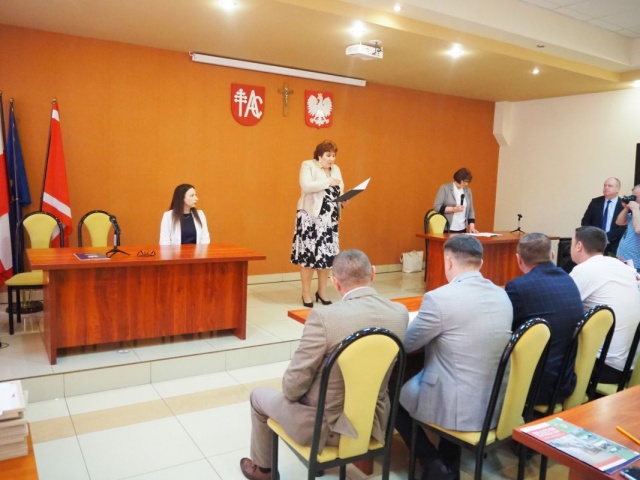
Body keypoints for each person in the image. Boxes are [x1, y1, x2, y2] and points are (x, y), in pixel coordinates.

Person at [240, 249, 408, 480]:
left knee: (258, 397)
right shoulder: (399, 313)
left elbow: (292, 387)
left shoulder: (324, 318)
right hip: (374, 425)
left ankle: (263, 471)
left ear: (335, 282)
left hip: (325, 428)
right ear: (373, 274)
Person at [396, 235, 512, 480]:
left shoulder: (440, 298)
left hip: (459, 407)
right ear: (480, 263)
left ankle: (431, 461)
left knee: (392, 395)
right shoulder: (502, 295)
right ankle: (448, 460)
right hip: (498, 403)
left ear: (448, 261)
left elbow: (406, 344)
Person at [505, 233, 583, 405]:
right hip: (565, 379)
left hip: (533, 386)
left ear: (518, 259)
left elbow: (505, 332)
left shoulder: (517, 287)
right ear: (552, 255)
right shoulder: (568, 280)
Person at [570, 226, 640, 384]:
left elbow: (562, 309)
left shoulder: (583, 270)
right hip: (630, 366)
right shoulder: (622, 267)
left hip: (604, 367)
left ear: (579, 246)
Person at [291, 139, 345, 307]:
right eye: (328, 155)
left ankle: (322, 291)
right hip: (310, 219)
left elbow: (339, 189)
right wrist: (328, 182)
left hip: (330, 220)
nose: (331, 159)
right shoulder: (308, 165)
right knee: (309, 257)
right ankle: (306, 293)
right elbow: (306, 186)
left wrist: (343, 200)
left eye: (334, 155)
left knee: (327, 257)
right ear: (320, 155)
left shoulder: (336, 169)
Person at [581, 177, 625, 256]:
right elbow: (585, 221)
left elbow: (624, 227)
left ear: (617, 189)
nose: (606, 188)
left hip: (614, 244)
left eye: (610, 186)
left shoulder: (623, 205)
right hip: (594, 243)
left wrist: (606, 237)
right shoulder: (595, 202)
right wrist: (593, 235)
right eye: (605, 185)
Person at [434, 167, 479, 233]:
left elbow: (470, 210)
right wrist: (453, 209)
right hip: (448, 228)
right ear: (459, 179)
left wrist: (472, 226)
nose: (466, 184)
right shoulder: (445, 188)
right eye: (465, 182)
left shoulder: (468, 191)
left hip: (462, 228)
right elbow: (437, 207)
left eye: (467, 182)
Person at [615, 184, 640, 270]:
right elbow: (619, 222)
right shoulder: (635, 213)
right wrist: (626, 208)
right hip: (623, 261)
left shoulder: (636, 212)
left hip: (636, 264)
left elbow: (638, 229)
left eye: (635, 197)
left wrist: (635, 208)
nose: (633, 200)